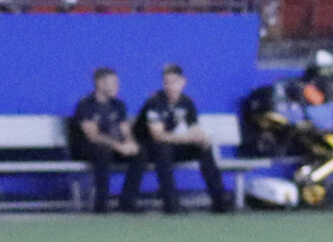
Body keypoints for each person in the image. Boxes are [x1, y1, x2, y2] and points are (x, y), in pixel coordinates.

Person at [127, 64, 232, 215]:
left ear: (183, 82)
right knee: (163, 151)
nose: (170, 86)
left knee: (204, 150)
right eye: (166, 82)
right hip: (147, 148)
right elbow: (158, 135)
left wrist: (200, 138)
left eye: (174, 81)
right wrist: (187, 138)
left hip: (170, 144)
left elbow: (193, 126)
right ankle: (171, 205)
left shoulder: (187, 103)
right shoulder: (154, 102)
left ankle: (220, 203)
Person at [70, 67, 144, 214]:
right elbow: (93, 136)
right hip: (89, 147)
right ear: (100, 83)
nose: (117, 86)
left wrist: (131, 143)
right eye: (113, 82)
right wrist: (118, 146)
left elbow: (125, 129)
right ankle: (101, 205)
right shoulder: (86, 105)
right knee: (102, 153)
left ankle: (127, 202)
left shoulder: (118, 104)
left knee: (140, 154)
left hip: (114, 147)